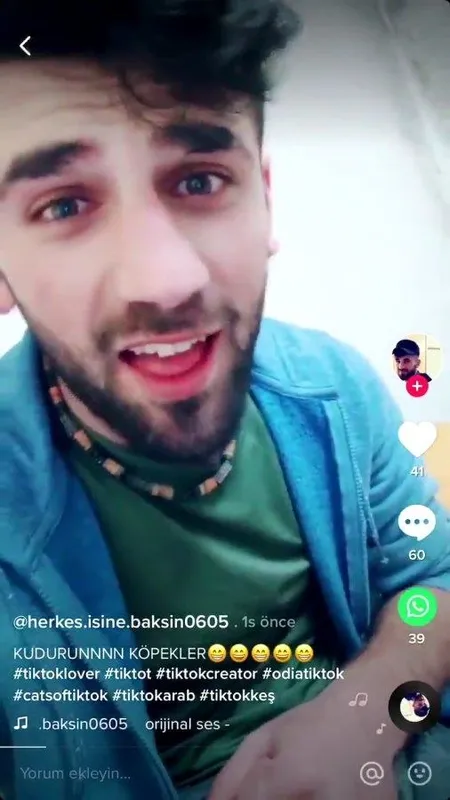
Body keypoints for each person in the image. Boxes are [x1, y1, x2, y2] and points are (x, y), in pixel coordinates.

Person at [0, 2, 450, 800]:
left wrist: (365, 712)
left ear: (264, 198)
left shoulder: (336, 387)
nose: (167, 280)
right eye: (64, 205)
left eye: (200, 180)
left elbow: (433, 584)